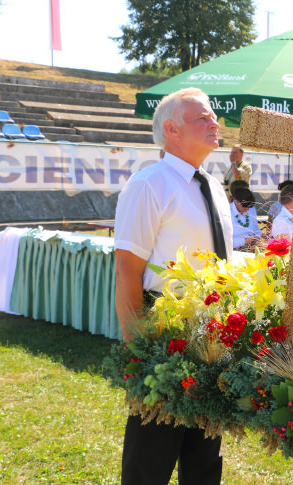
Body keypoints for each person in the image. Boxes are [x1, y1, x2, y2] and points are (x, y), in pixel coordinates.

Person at [114, 87, 231, 485]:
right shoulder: (149, 184)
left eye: (214, 116)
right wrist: (139, 350)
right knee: (151, 456)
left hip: (212, 332)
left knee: (204, 457)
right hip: (163, 332)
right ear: (171, 129)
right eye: (203, 117)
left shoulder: (213, 186)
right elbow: (128, 271)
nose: (215, 122)